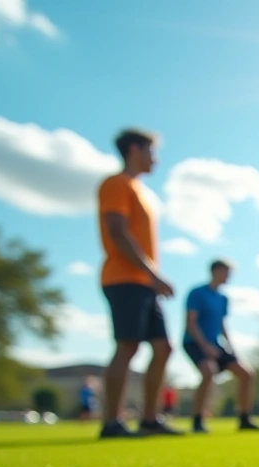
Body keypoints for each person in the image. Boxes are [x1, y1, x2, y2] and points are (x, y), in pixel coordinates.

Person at [97, 128, 181, 438]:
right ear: (134, 149)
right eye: (151, 151)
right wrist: (152, 273)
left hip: (144, 282)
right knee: (127, 346)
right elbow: (118, 233)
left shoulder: (141, 190)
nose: (155, 159)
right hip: (124, 278)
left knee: (163, 347)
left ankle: (149, 419)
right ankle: (112, 422)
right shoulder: (116, 184)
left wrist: (150, 277)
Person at [183, 259, 259, 433]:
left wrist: (230, 347)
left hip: (216, 344)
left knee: (247, 374)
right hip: (194, 342)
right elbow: (191, 323)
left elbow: (222, 324)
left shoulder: (223, 298)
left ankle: (244, 419)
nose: (228, 276)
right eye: (226, 272)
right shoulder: (197, 293)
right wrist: (205, 346)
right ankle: (197, 421)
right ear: (215, 271)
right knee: (208, 371)